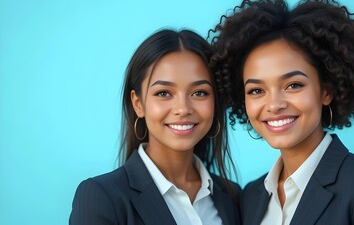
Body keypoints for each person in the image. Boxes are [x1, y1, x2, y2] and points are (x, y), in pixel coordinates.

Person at [209, 0, 354, 225]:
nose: (274, 105)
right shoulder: (252, 196)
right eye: (256, 90)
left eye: (293, 85)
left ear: (326, 91)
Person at [70, 29, 241, 225]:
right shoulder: (102, 197)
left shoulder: (232, 197)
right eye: (163, 93)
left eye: (200, 93)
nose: (183, 109)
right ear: (138, 104)